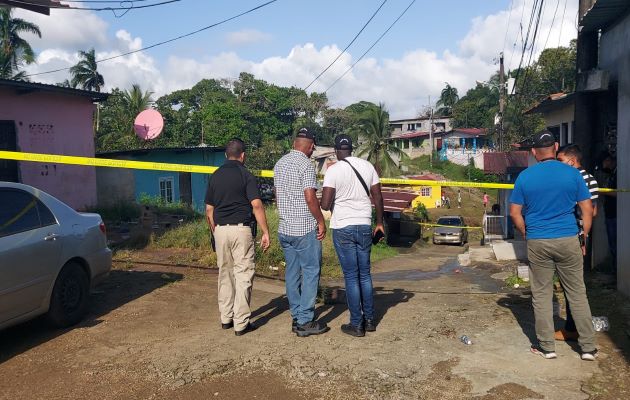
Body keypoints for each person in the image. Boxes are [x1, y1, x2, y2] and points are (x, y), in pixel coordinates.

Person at [509, 130, 597, 361]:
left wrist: (527, 232)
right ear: (556, 147)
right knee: (577, 293)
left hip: (539, 240)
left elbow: (515, 213)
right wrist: (583, 236)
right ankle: (588, 348)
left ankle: (547, 347)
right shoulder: (573, 174)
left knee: (541, 294)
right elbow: (587, 209)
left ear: (533, 152)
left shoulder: (525, 177)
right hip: (568, 238)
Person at [320, 134, 385, 337]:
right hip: (364, 224)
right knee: (364, 274)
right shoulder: (367, 166)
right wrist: (380, 223)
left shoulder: (334, 169)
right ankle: (370, 320)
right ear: (352, 149)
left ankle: (356, 324)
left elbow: (325, 205)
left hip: (343, 227)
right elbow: (378, 197)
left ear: (337, 150)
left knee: (351, 276)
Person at [204, 138, 270, 336]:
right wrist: (266, 231)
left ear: (226, 155)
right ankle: (241, 323)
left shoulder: (215, 176)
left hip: (220, 230)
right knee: (243, 275)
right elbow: (256, 205)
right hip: (241, 230)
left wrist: (214, 231)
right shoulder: (246, 175)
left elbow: (209, 210)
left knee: (225, 274)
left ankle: (226, 318)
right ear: (243, 155)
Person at [273, 128, 330, 337]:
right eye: (313, 145)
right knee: (311, 272)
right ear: (309, 145)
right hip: (304, 229)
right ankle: (306, 320)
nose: (314, 148)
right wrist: (320, 221)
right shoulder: (306, 164)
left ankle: (297, 316)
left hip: (285, 228)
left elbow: (278, 195)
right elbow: (309, 197)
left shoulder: (280, 163)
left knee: (292, 273)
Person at [555, 144, 599, 342]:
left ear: (572, 161)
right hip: (571, 234)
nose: (558, 165)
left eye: (561, 161)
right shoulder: (570, 178)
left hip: (576, 235)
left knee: (574, 286)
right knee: (571, 285)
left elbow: (592, 210)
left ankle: (574, 328)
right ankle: (574, 327)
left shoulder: (586, 179)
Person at [601, 155, 617, 271]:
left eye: (604, 162)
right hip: (610, 213)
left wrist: (602, 191)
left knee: (615, 243)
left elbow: (617, 193)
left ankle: (616, 268)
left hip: (615, 214)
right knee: (612, 243)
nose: (603, 165)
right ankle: (614, 267)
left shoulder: (617, 175)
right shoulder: (612, 174)